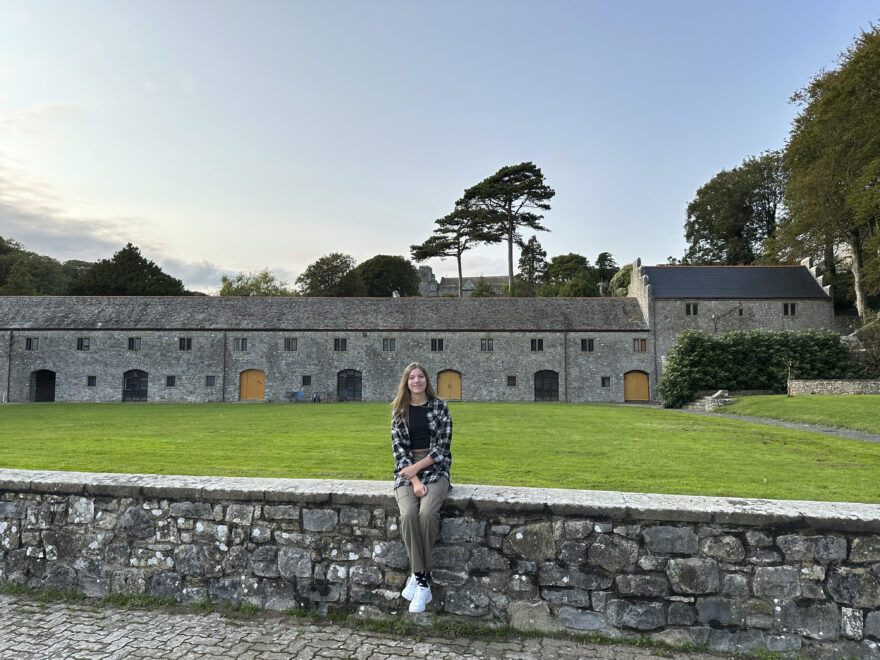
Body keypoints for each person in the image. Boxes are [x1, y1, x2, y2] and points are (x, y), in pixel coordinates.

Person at [390, 362, 452, 613]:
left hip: (436, 468)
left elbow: (442, 447)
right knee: (408, 516)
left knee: (427, 514)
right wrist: (414, 479)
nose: (417, 381)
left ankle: (418, 579)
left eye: (421, 377)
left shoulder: (440, 407)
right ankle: (422, 579)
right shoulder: (399, 411)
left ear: (427, 380)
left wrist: (419, 470)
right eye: (412, 378)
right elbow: (400, 453)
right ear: (406, 382)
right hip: (406, 471)